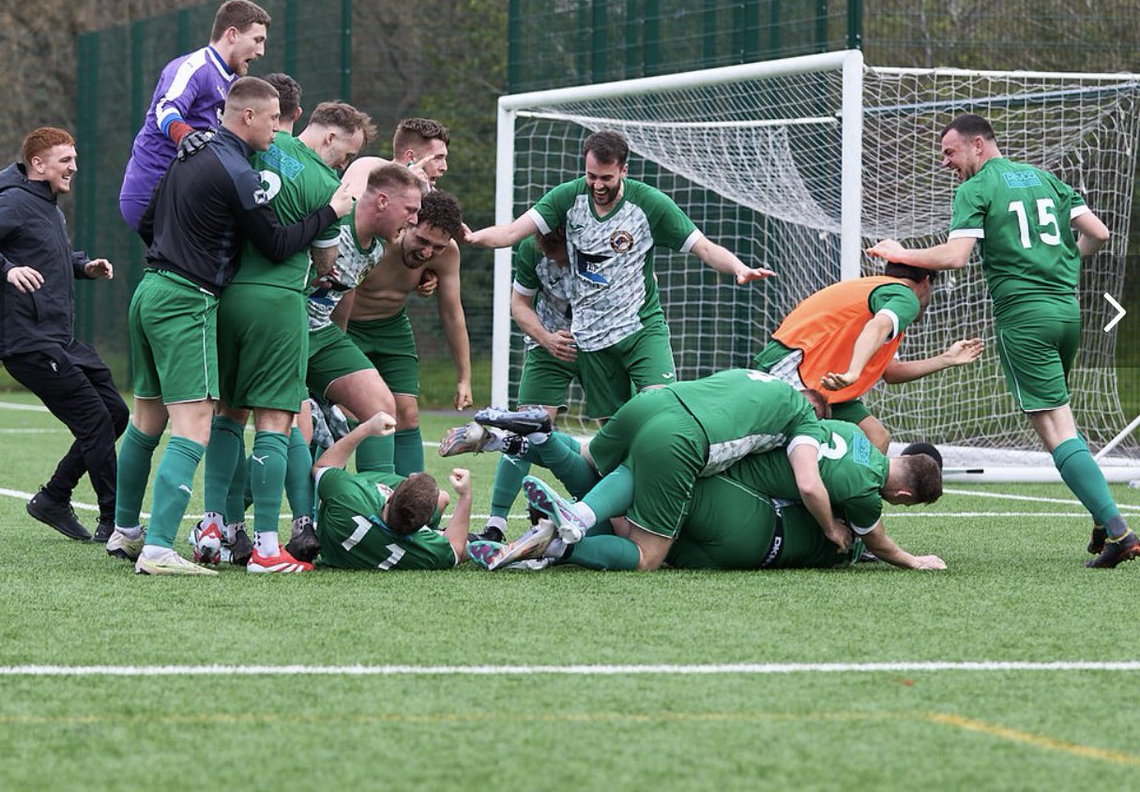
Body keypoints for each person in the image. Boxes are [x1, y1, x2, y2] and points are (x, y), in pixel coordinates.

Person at [868, 112, 1137, 568]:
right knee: (1062, 420)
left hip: (1024, 318)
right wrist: (1067, 264)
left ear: (978, 145)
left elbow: (955, 256)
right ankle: (1100, 517)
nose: (946, 163)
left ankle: (1120, 532)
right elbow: (1099, 233)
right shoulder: (1045, 178)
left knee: (1056, 432)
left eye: (949, 153)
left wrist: (899, 252)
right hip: (1067, 313)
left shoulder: (975, 189)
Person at [109, 76, 352, 576]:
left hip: (149, 288)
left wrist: (184, 243)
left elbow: (149, 220)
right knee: (197, 425)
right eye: (271, 120)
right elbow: (277, 244)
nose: (277, 129)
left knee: (146, 422)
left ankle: (125, 532)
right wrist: (332, 210)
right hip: (188, 300)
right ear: (248, 117)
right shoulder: (239, 170)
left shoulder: (187, 154)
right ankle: (158, 550)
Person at [193, 86, 377, 571]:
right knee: (277, 423)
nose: (344, 165)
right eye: (347, 155)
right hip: (279, 305)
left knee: (227, 416)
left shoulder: (256, 147)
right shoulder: (324, 186)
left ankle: (217, 527)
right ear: (331, 137)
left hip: (226, 295)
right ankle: (268, 547)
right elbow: (327, 261)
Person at [463, 130, 773, 418]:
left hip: (640, 328)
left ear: (623, 170)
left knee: (662, 413)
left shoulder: (649, 204)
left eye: (606, 178)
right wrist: (474, 238)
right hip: (593, 336)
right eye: (591, 176)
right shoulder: (568, 197)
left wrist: (738, 268)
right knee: (584, 430)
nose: (597, 185)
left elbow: (703, 247)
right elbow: (512, 232)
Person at [442, 368, 848, 571]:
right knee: (647, 554)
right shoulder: (803, 418)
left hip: (652, 404)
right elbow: (809, 484)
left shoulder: (758, 378)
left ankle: (523, 439)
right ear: (815, 409)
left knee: (591, 460)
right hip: (682, 437)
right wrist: (832, 530)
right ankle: (561, 540)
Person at [0, 127, 128, 543]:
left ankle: (53, 498)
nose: (74, 168)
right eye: (66, 160)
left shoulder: (47, 206)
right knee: (95, 420)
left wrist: (82, 266)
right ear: (38, 164)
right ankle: (114, 521)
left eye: (75, 159)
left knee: (115, 414)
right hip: (29, 342)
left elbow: (46, 255)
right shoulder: (14, 201)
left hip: (59, 338)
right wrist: (5, 267)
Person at [477, 420, 945, 573]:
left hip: (696, 436)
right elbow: (873, 540)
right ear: (901, 493)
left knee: (628, 483)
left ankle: (537, 443)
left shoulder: (843, 429)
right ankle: (563, 544)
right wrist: (909, 558)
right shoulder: (863, 501)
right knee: (652, 552)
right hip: (744, 517)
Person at [753, 263, 985, 452]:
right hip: (793, 368)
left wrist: (946, 359)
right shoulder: (905, 298)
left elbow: (892, 371)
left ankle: (848, 504)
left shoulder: (884, 297)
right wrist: (854, 372)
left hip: (824, 381)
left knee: (877, 438)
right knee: (768, 445)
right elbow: (878, 325)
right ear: (925, 282)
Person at [446, 226, 579, 544]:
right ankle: (495, 526)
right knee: (525, 424)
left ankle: (582, 511)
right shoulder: (532, 251)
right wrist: (547, 339)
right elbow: (519, 304)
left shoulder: (608, 249)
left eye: (557, 255)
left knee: (623, 437)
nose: (552, 261)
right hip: (550, 346)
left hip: (606, 348)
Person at [303, 162, 423, 477]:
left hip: (321, 334)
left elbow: (341, 296)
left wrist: (338, 350)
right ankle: (230, 516)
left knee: (382, 405)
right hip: (284, 331)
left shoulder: (376, 250)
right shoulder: (333, 225)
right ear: (382, 201)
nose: (414, 220)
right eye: (410, 209)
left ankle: (377, 502)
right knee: (295, 431)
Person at [344, 190, 472, 478]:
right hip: (346, 328)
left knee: (408, 415)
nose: (427, 253)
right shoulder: (375, 240)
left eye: (437, 247)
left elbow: (452, 314)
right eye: (423, 241)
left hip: (392, 328)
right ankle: (329, 503)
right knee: (345, 415)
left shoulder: (446, 254)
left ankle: (409, 508)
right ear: (408, 222)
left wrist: (464, 377)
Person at [118, 0, 271, 229]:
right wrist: (185, 135)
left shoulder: (234, 84)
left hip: (186, 192)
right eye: (257, 40)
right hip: (150, 191)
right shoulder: (195, 67)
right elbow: (165, 107)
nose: (261, 51)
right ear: (232, 35)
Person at [312, 412, 473, 569]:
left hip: (338, 529)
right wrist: (465, 495)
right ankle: (439, 534)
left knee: (440, 498)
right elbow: (456, 549)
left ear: (389, 496)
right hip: (386, 545)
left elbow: (322, 467)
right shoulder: (423, 548)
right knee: (443, 500)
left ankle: (439, 534)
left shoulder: (350, 494)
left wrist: (366, 428)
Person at [341, 117, 450, 197]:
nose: (444, 167)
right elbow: (348, 213)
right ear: (411, 157)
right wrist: (404, 185)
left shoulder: (432, 196)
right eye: (437, 158)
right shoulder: (369, 167)